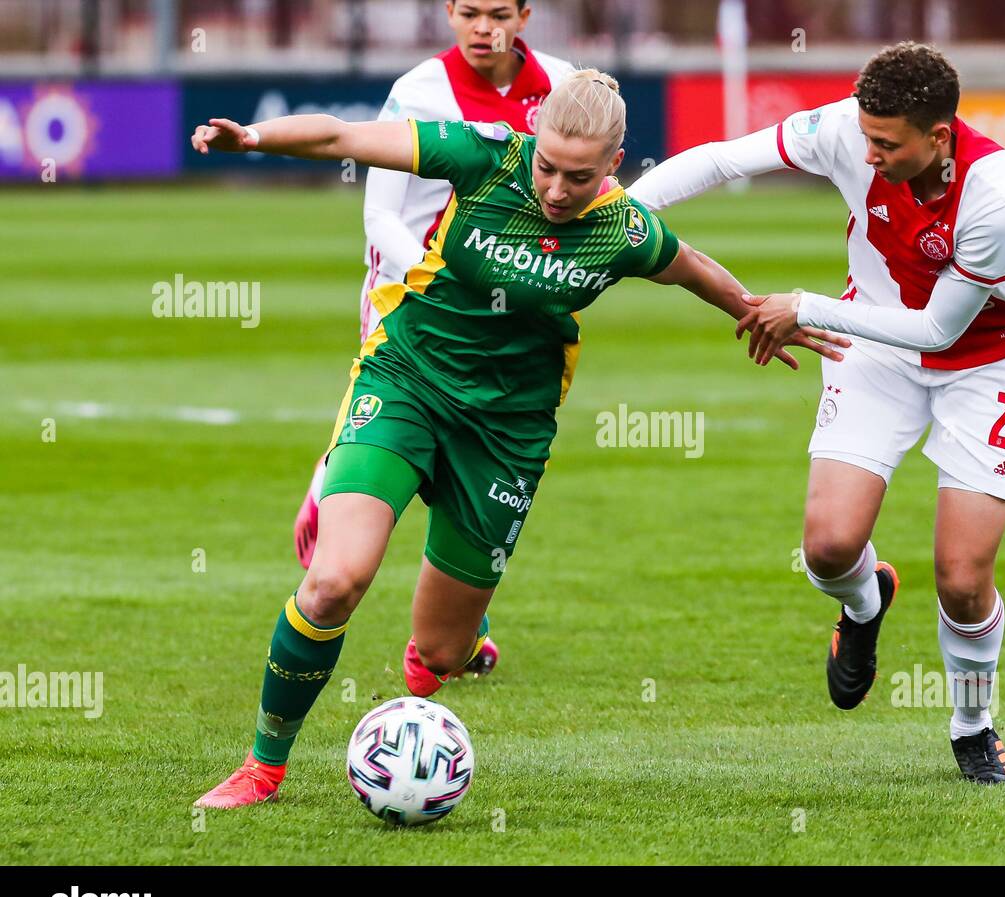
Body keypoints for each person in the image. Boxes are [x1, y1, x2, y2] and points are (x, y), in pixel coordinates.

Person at [189, 70, 849, 808]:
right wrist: (253, 137)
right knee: (336, 580)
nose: (557, 189)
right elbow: (347, 138)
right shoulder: (486, 155)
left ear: (616, 161)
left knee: (441, 653)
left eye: (579, 175)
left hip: (506, 437)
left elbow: (689, 267)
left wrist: (756, 311)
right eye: (547, 167)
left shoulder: (624, 229)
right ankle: (263, 767)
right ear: (532, 145)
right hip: (407, 382)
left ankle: (452, 645)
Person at [631, 42, 1005, 785]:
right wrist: (623, 209)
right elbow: (722, 160)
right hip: (874, 343)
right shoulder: (846, 129)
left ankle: (973, 727)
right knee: (829, 547)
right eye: (864, 137)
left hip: (989, 360)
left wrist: (805, 306)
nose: (866, 155)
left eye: (886, 145)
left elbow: (939, 331)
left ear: (940, 136)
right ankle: (864, 606)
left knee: (962, 577)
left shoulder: (995, 196)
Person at [294, 0, 577, 679]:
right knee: (405, 431)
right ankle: (336, 476)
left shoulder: (565, 86)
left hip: (514, 321)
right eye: (470, 12)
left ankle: (457, 625)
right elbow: (380, 214)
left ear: (525, 13)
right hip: (411, 296)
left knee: (479, 464)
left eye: (499, 13)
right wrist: (440, 276)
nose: (485, 28)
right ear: (449, 12)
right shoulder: (419, 93)